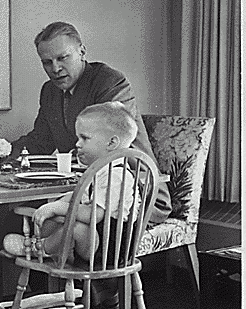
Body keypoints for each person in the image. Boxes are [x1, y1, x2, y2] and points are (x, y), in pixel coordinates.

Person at [10, 21, 170, 225]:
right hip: (86, 190)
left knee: (43, 220)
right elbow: (41, 141)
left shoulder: (109, 82)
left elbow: (110, 147)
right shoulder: (50, 91)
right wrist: (0, 153)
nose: (55, 68)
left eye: (62, 58)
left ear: (82, 51)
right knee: (11, 217)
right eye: (47, 62)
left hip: (130, 196)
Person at [4, 102, 142, 309]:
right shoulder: (100, 169)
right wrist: (60, 203)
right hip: (98, 242)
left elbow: (94, 214)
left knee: (76, 226)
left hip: (111, 248)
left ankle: (42, 248)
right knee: (55, 216)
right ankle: (44, 242)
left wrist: (60, 207)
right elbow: (81, 194)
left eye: (85, 138)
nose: (77, 143)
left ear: (112, 143)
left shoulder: (117, 176)